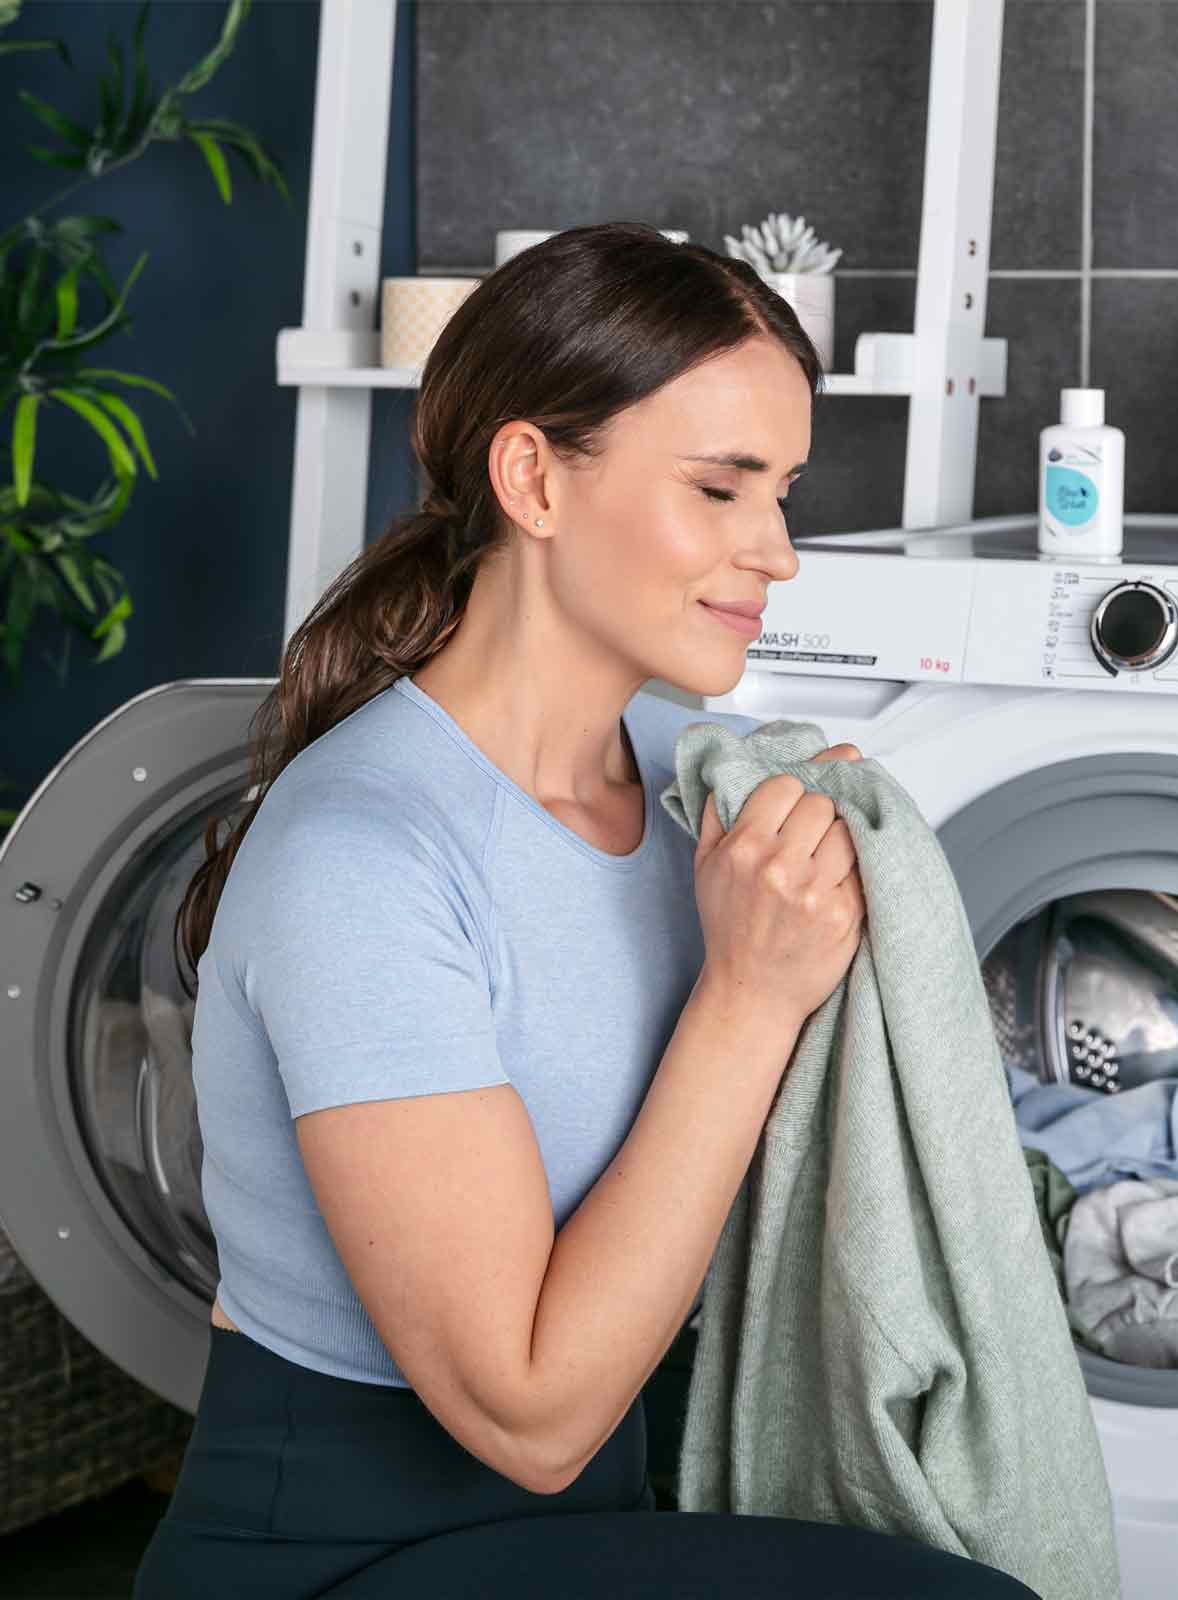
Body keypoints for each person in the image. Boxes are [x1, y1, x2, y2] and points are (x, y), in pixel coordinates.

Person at [134, 222, 1041, 1598]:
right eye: (722, 491)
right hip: (339, 1554)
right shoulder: (362, 856)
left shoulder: (700, 785)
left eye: (784, 493)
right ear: (533, 479)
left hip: (600, 1516)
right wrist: (747, 997)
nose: (778, 553)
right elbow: (533, 1415)